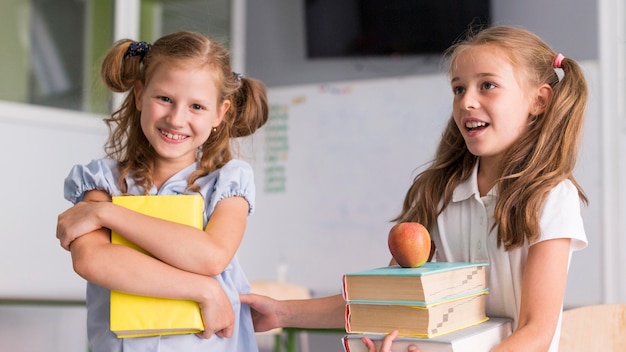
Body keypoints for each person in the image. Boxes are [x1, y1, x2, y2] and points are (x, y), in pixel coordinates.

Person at [240, 25, 588, 352]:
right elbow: (391, 296)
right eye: (458, 88)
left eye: (487, 85)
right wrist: (282, 312)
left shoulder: (551, 196)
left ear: (539, 101)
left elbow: (536, 330)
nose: (467, 101)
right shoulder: (439, 192)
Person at [56, 31, 268, 352]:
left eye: (196, 106)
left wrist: (106, 212)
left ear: (219, 114)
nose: (176, 118)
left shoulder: (228, 180)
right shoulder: (102, 179)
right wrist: (204, 291)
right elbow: (92, 258)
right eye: (164, 99)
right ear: (140, 95)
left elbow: (210, 256)